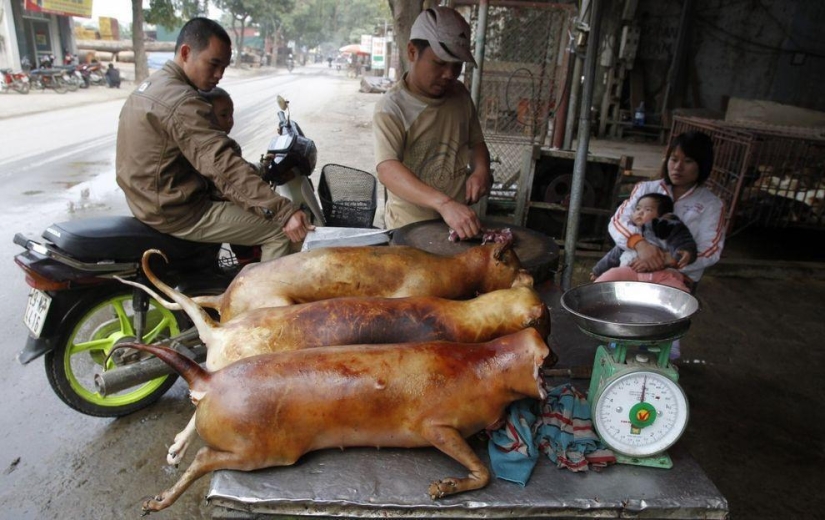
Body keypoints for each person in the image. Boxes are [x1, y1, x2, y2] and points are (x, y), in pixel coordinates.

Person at [116, 17, 313, 263]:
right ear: (186, 52)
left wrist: (259, 171)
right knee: (282, 232)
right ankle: (259, 302)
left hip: (150, 202)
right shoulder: (182, 100)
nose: (219, 75)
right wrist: (283, 211)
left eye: (224, 67)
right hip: (178, 212)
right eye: (214, 64)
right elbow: (220, 163)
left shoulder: (153, 86)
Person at [373, 6, 492, 239]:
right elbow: (387, 169)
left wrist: (481, 170)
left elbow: (476, 142)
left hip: (456, 225)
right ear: (412, 52)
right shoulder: (392, 108)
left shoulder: (460, 94)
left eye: (457, 65)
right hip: (410, 228)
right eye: (439, 63)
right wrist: (444, 203)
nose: (449, 74)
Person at [601, 131, 726, 291]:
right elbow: (618, 221)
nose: (678, 167)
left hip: (677, 277)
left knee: (667, 314)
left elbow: (710, 249)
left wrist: (669, 259)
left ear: (702, 166)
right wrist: (640, 245)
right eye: (673, 159)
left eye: (688, 161)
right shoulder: (646, 188)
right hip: (632, 269)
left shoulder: (711, 204)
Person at [591, 192, 698, 291]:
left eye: (648, 210)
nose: (640, 212)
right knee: (606, 280)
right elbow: (613, 256)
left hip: (662, 274)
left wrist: (686, 250)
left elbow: (681, 238)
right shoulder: (630, 234)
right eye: (638, 209)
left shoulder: (665, 226)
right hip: (629, 272)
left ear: (664, 215)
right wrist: (598, 271)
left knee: (677, 293)